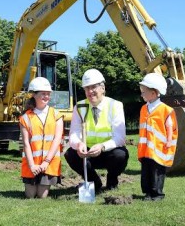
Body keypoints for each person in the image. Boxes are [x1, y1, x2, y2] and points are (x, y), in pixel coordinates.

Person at [64, 68, 129, 192]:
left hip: (108, 151)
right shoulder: (79, 106)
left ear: (102, 88)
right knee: (70, 154)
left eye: (93, 87)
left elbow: (120, 138)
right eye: (87, 88)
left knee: (120, 154)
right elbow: (74, 133)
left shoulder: (115, 105)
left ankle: (112, 180)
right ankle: (94, 181)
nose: (90, 91)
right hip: (87, 153)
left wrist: (102, 146)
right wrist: (78, 144)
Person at [19, 77, 63, 198]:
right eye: (43, 94)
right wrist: (32, 165)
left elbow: (57, 139)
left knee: (41, 196)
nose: (46, 97)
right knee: (30, 196)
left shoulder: (56, 115)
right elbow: (26, 144)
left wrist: (46, 162)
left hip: (48, 164)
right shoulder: (25, 117)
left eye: (48, 94)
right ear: (34, 95)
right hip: (31, 164)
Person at [138, 73, 178, 201]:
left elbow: (170, 127)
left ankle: (157, 194)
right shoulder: (144, 109)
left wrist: (169, 141)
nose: (142, 94)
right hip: (146, 149)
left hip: (159, 148)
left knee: (157, 171)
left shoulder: (166, 110)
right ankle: (148, 193)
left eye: (144, 92)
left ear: (154, 93)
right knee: (146, 172)